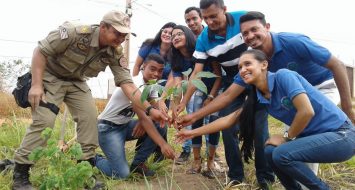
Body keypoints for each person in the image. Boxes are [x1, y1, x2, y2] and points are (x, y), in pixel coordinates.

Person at [9, 10, 167, 190]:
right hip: (50, 77)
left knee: (90, 119)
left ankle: (83, 171)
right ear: (103, 27)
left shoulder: (115, 52)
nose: (121, 38)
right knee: (45, 121)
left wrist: (150, 110)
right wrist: (36, 85)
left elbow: (128, 85)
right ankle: (20, 175)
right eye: (117, 33)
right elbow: (41, 50)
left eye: (124, 35)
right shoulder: (74, 32)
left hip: (76, 82)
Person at [176, 49, 355, 190]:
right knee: (270, 151)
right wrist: (191, 132)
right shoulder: (259, 96)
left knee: (280, 152)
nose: (243, 69)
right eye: (239, 67)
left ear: (264, 65)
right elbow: (228, 120)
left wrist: (287, 136)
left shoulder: (284, 76)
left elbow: (306, 112)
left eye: (247, 64)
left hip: (342, 136)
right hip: (318, 140)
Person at [236, 11, 355, 177]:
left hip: (322, 86)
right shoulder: (254, 59)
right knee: (294, 141)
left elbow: (338, 65)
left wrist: (347, 107)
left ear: (267, 27)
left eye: (254, 29)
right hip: (295, 95)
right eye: (245, 33)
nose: (250, 36)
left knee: (306, 129)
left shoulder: (293, 42)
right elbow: (229, 94)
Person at [175, 0, 274, 188]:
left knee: (260, 128)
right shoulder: (204, 39)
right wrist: (183, 101)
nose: (210, 21)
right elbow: (196, 73)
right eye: (206, 18)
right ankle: (236, 175)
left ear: (224, 10)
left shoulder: (242, 19)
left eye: (214, 16)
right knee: (227, 128)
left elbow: (263, 39)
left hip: (258, 78)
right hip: (232, 81)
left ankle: (265, 176)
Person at [95, 54, 175, 179]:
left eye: (160, 71)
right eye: (152, 69)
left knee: (159, 125)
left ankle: (138, 164)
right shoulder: (135, 84)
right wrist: (163, 144)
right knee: (121, 174)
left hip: (124, 126)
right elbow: (144, 117)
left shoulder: (151, 86)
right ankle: (94, 159)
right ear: (143, 66)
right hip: (108, 129)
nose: (156, 74)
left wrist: (168, 116)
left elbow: (154, 108)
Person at [169, 25, 221, 177]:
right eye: (173, 36)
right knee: (195, 121)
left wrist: (211, 97)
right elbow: (179, 86)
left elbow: (218, 75)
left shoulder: (202, 49)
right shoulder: (177, 60)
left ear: (188, 35)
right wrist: (175, 108)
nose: (175, 37)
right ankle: (197, 161)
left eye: (179, 34)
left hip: (215, 89)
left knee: (213, 121)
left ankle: (210, 162)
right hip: (198, 89)